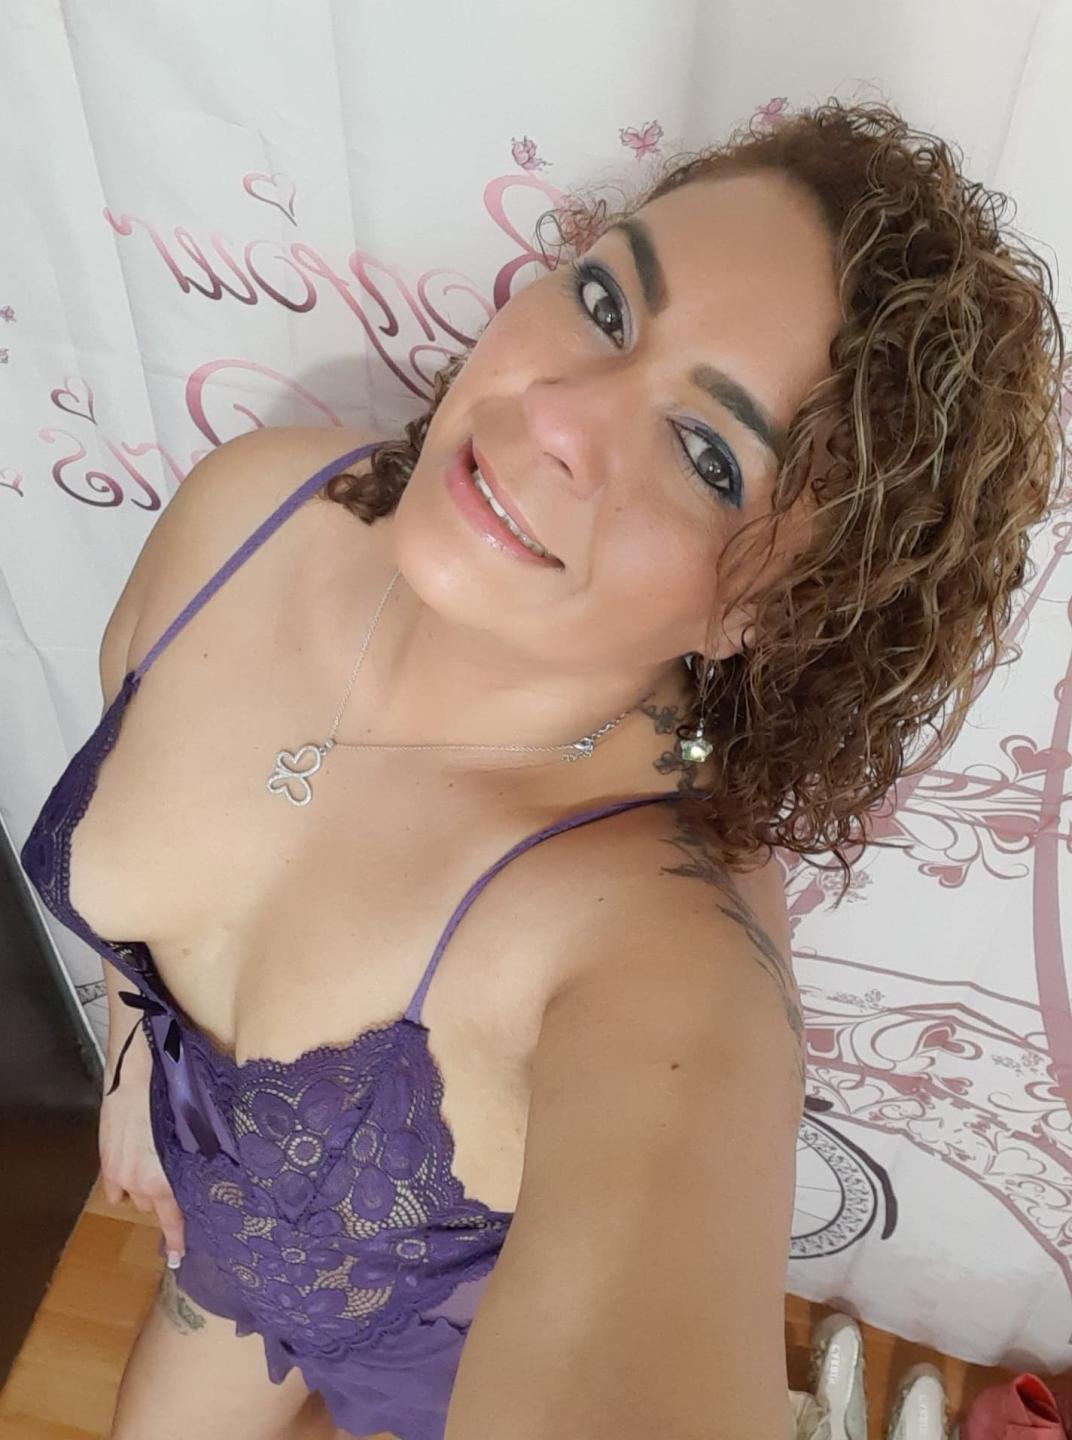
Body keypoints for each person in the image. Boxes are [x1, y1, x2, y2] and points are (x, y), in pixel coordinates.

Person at [19, 98, 1067, 1440]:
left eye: (707, 452)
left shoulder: (659, 953)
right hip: (212, 1236)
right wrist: (131, 1055)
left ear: (778, 611)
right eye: (606, 303)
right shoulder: (253, 510)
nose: (558, 412)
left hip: (422, 1363)